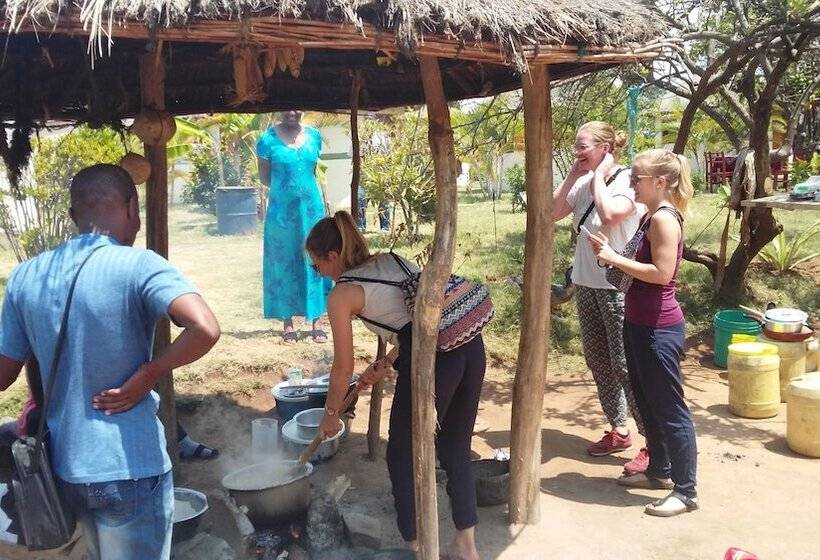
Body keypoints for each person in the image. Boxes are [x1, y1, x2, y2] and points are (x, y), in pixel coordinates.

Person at [0, 164, 220, 558]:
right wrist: (148, 375)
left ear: (72, 216)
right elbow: (204, 328)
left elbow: (2, 375)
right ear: (133, 208)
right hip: (129, 465)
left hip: (65, 469)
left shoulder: (26, 276)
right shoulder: (139, 264)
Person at [306, 212, 485, 560]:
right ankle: (467, 545)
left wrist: (330, 415)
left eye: (317, 266)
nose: (319, 274)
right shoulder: (391, 260)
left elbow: (343, 367)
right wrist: (387, 363)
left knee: (401, 453)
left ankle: (416, 548)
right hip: (470, 346)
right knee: (454, 446)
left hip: (436, 361)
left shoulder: (342, 294)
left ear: (332, 257)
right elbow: (424, 320)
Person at [588, 148, 698, 517]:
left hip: (658, 327)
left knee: (669, 409)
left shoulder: (664, 220)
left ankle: (686, 491)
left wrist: (613, 256)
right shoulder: (651, 216)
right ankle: (659, 471)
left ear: (660, 182)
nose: (631, 183)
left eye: (637, 178)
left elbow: (662, 274)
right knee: (647, 400)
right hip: (639, 321)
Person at [552, 121, 648, 471]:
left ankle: (653, 441)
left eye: (583, 147)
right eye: (576, 147)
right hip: (586, 283)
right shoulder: (580, 180)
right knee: (598, 360)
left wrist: (599, 176)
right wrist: (571, 176)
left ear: (605, 148)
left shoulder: (626, 181)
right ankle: (619, 429)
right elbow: (551, 213)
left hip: (617, 287)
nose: (578, 153)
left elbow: (609, 215)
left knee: (625, 365)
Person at [257, 111, 332, 344]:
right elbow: (265, 178)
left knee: (316, 259)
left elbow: (311, 172)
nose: (292, 112)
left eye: (296, 108)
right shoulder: (266, 140)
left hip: (312, 211)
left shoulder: (315, 136)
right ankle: (287, 322)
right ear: (279, 110)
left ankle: (317, 320)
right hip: (281, 213)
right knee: (284, 262)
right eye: (287, 108)